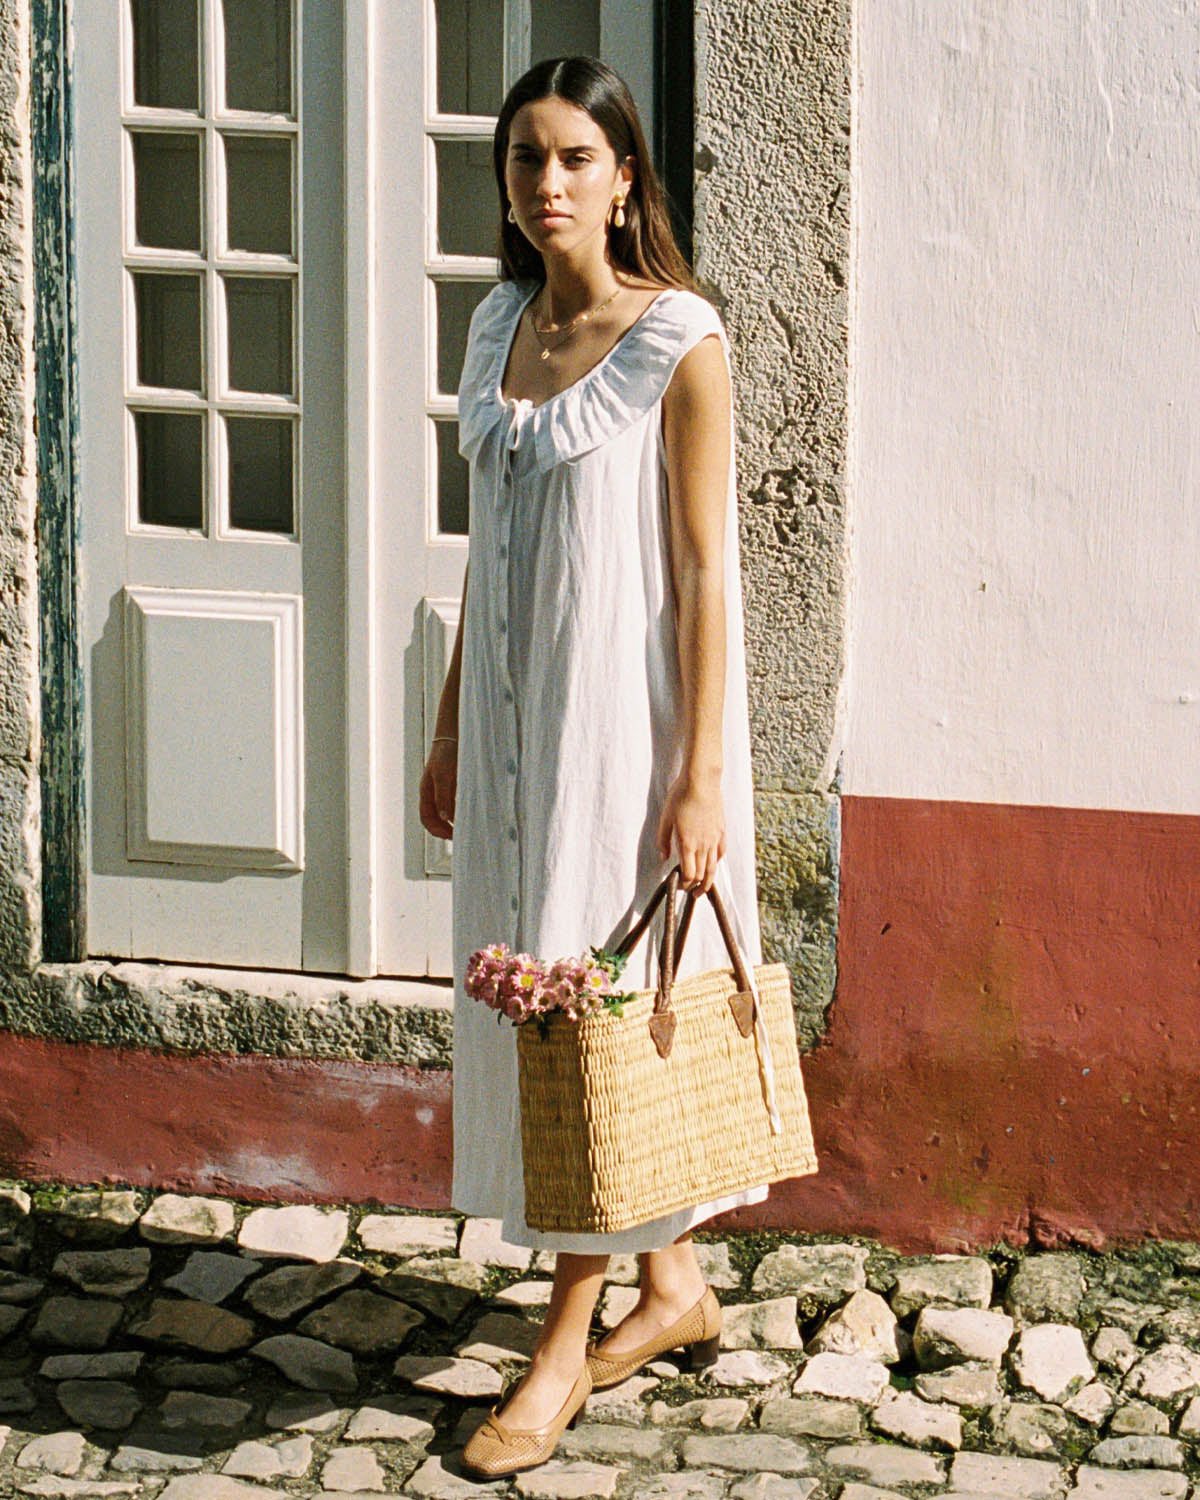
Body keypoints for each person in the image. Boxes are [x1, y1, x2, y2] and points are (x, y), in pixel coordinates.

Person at [419, 54, 813, 1480]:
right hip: (517, 734)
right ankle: (669, 1287)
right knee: (533, 1004)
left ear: (627, 175)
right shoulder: (493, 330)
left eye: (576, 157)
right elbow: (489, 545)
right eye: (524, 159)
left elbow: (710, 574)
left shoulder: (676, 338)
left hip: (626, 736)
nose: (545, 185)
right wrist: (455, 721)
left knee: (587, 1017)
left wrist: (706, 774)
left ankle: (562, 1348)